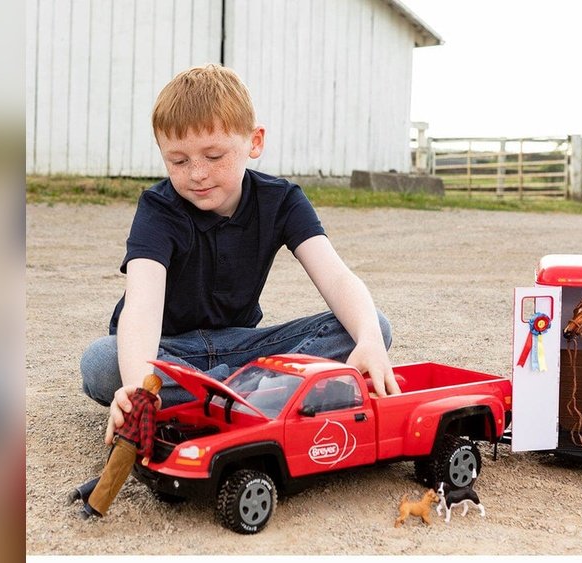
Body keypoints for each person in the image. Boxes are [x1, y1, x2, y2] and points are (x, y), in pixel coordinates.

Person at [80, 63, 399, 447]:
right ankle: (261, 396)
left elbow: (337, 277)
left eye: (214, 156)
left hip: (244, 346)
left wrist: (368, 338)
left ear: (254, 142)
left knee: (373, 327)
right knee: (102, 362)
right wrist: (137, 389)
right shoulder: (157, 208)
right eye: (178, 161)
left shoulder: (282, 201)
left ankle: (223, 399)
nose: (197, 173)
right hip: (167, 351)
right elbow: (142, 306)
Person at [76, 373, 162, 518]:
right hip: (129, 445)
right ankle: (89, 510)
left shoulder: (134, 397)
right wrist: (147, 453)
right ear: (154, 389)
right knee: (114, 478)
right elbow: (147, 432)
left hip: (119, 438)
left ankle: (81, 492)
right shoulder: (148, 406)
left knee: (109, 472)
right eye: (158, 389)